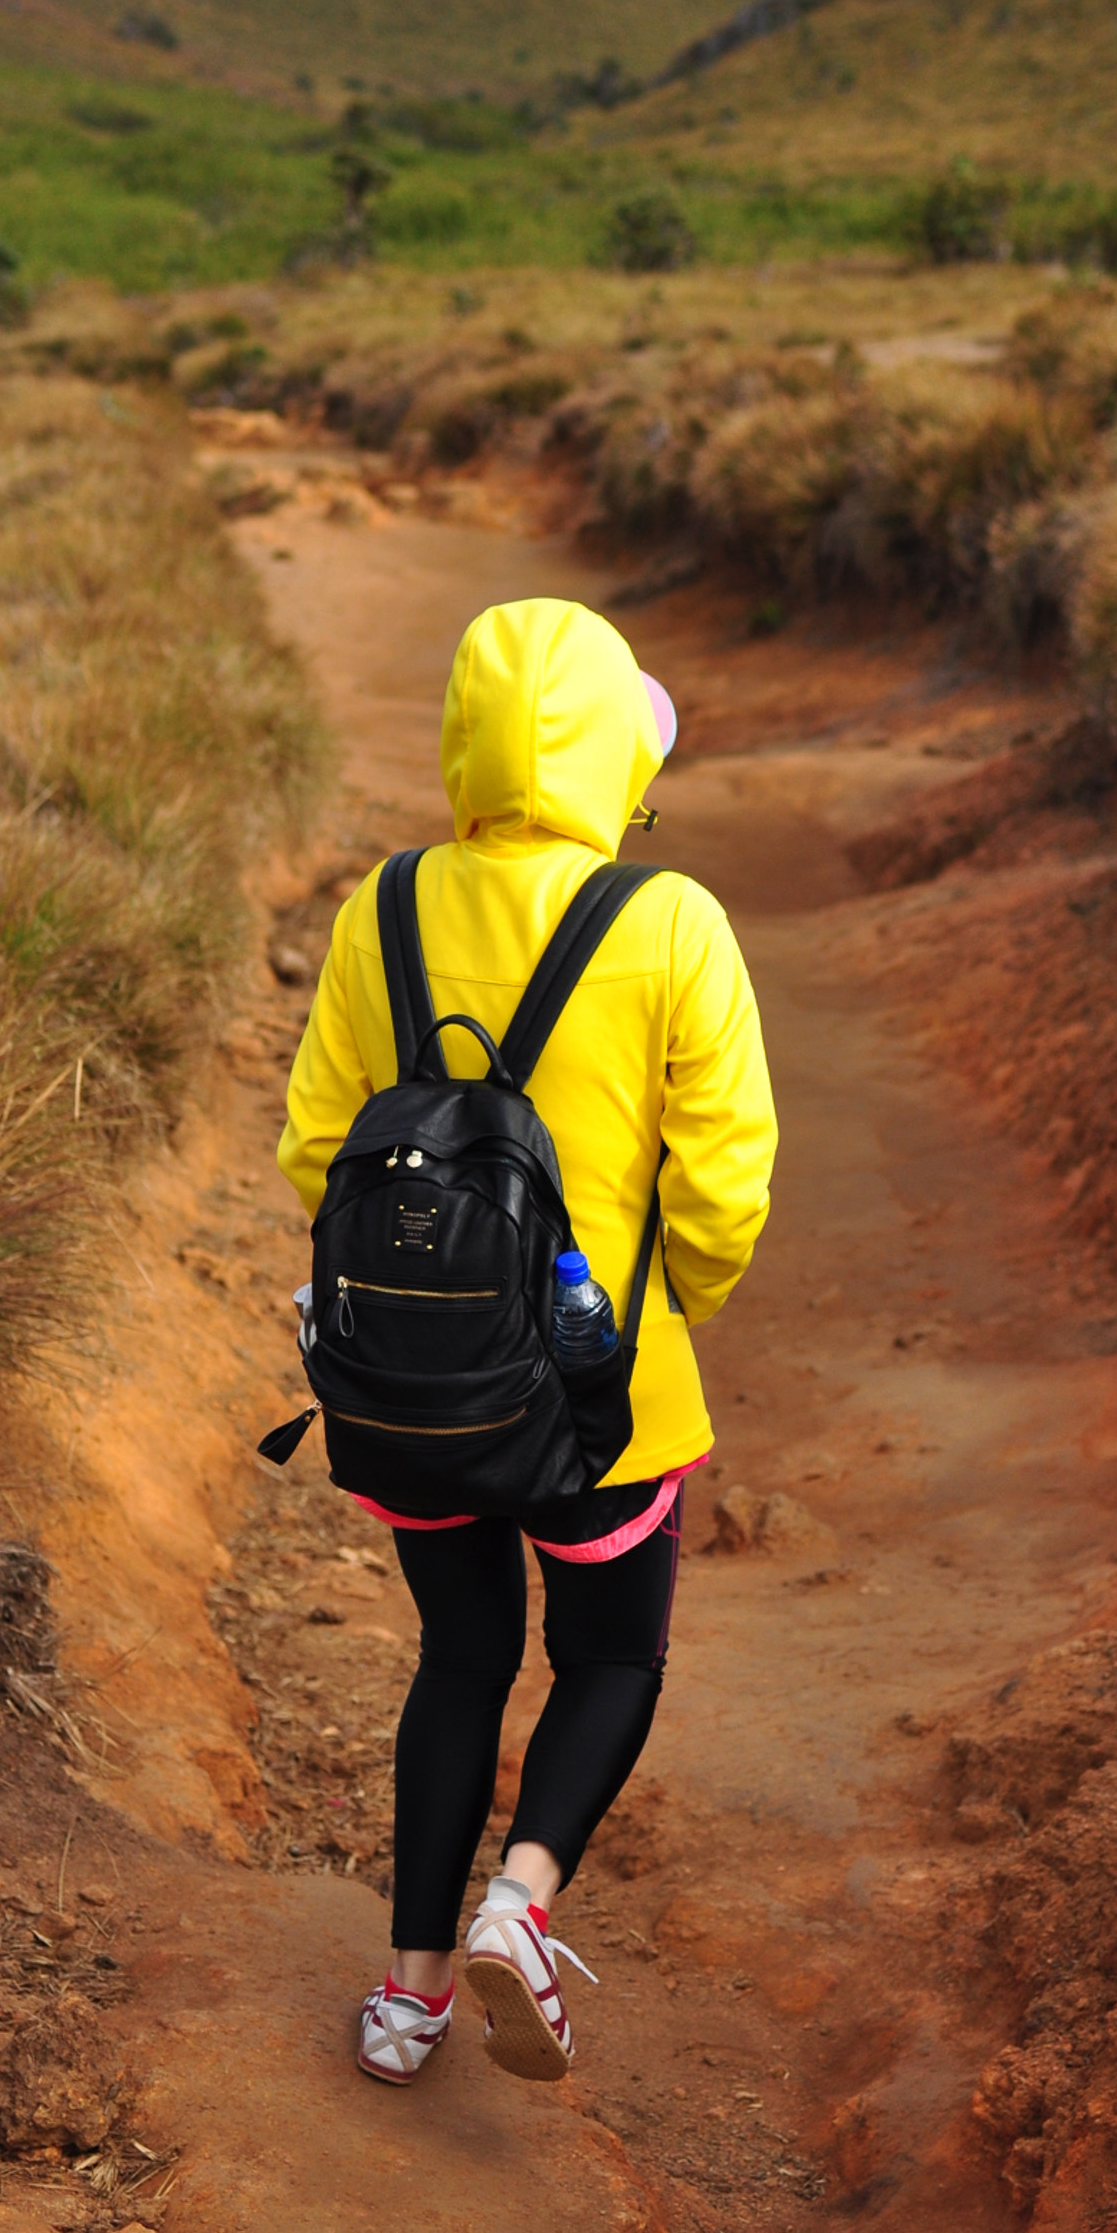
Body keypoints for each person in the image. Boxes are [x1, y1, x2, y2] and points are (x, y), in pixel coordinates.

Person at [276, 596, 776, 2086]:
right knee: (612, 1656)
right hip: (606, 1395)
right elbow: (728, 1182)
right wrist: (657, 1301)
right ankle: (523, 1900)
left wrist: (434, 1293)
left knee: (462, 1652)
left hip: (420, 1393)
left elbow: (319, 1147)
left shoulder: (388, 906)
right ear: (623, 745)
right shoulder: (669, 920)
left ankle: (409, 1997)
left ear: (465, 739)